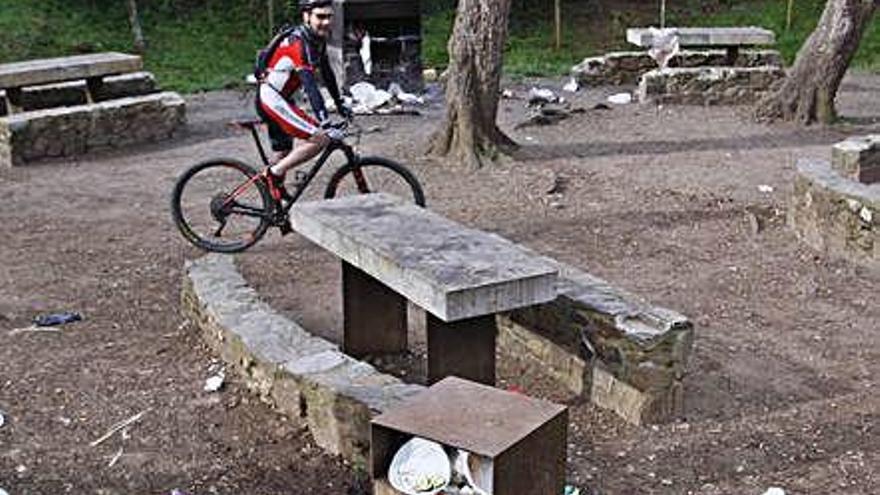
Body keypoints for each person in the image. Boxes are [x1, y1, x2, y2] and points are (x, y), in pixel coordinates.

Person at [255, 0, 351, 200]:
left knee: (284, 152)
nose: (326, 22)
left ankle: (274, 206)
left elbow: (327, 74)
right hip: (272, 99)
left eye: (329, 16)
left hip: (279, 98)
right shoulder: (299, 43)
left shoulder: (316, 40)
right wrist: (324, 122)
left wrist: (340, 103)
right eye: (320, 17)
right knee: (320, 138)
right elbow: (310, 86)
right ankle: (272, 175)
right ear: (306, 16)